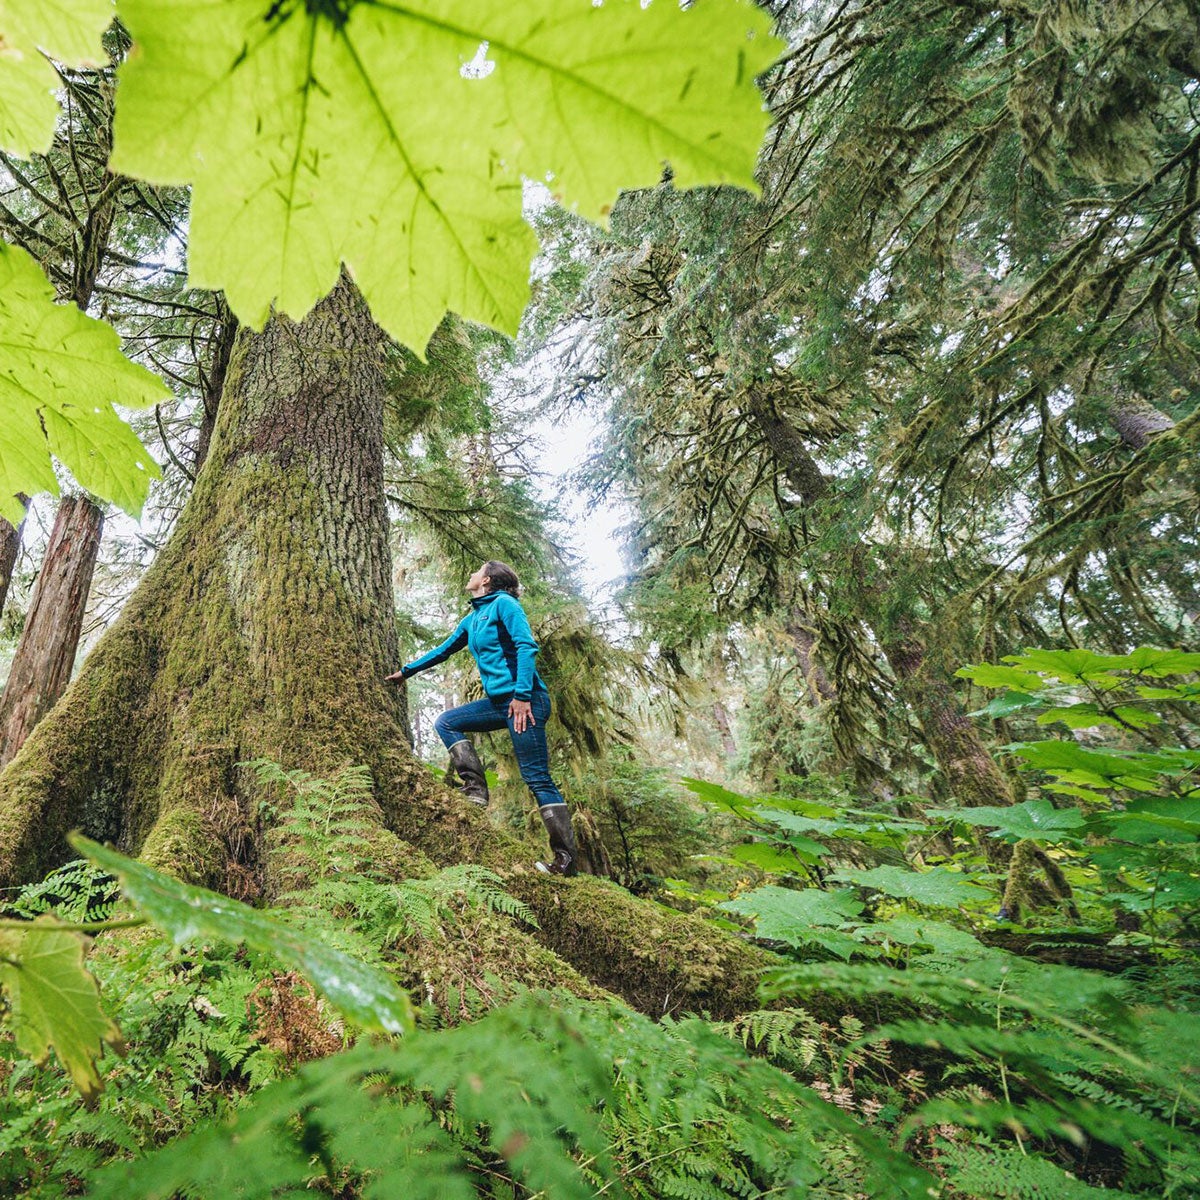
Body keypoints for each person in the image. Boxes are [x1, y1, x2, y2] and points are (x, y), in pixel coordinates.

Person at [386, 560, 578, 876]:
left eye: (476, 570)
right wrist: (407, 672)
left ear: (486, 580)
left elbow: (526, 647)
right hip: (499, 703)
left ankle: (565, 860)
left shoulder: (505, 604)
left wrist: (522, 696)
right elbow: (444, 650)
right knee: (447, 721)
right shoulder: (473, 618)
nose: (471, 573)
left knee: (536, 776)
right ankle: (474, 790)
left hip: (525, 701)